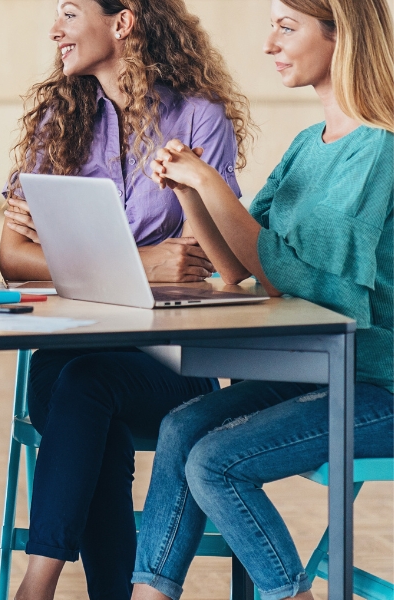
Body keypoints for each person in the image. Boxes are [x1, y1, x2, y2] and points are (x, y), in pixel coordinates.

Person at [133, 0, 394, 597]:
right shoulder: (309, 143)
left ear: (341, 37)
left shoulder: (380, 148)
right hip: (326, 373)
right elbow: (241, 267)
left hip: (379, 385)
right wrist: (191, 192)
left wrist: (208, 179)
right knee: (182, 428)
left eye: (286, 27)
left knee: (216, 462)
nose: (270, 44)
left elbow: (316, 289)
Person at [0, 2, 256, 599]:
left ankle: (35, 586)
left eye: (69, 11)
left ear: (124, 21)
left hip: (170, 364)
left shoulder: (199, 119)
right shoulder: (58, 122)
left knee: (87, 390)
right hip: (69, 359)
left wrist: (72, 259)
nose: (55, 28)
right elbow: (13, 257)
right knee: (86, 400)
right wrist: (147, 260)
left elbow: (217, 264)